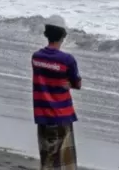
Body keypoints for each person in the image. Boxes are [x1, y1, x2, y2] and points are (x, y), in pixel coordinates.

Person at [32, 15, 82, 170]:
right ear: (62, 36)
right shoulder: (67, 60)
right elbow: (77, 83)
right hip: (61, 113)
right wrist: (67, 83)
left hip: (42, 113)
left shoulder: (36, 57)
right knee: (64, 160)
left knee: (46, 154)